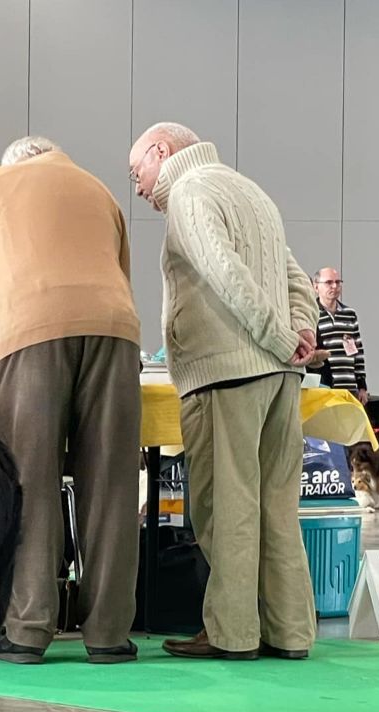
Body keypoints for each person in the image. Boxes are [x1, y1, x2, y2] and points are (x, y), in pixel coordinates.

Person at [128, 122, 318, 661]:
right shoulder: (249, 189)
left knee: (225, 509)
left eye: (137, 171)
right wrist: (298, 334)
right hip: (282, 377)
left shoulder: (189, 192)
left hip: (225, 373)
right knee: (277, 508)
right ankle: (291, 632)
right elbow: (295, 277)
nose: (138, 187)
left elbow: (221, 270)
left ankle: (232, 634)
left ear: (161, 153)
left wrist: (278, 335)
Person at [0, 136, 142, 665]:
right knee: (111, 481)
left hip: (33, 334)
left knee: (28, 479)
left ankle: (29, 627)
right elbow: (120, 277)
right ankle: (108, 633)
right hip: (117, 333)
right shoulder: (101, 190)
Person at [309, 267, 368, 404]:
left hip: (349, 386)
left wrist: (362, 386)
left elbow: (358, 353)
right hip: (324, 386)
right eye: (329, 282)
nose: (334, 286)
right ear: (316, 286)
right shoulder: (311, 314)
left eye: (338, 282)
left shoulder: (349, 314)